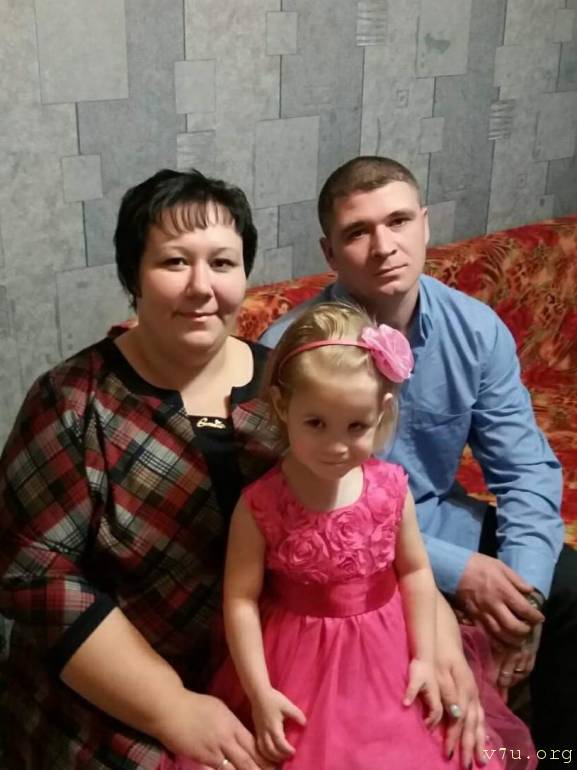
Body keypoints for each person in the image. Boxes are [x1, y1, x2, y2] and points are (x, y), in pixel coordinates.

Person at [259, 156, 576, 762]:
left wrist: (525, 597)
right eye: (358, 232)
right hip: (342, 550)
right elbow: (299, 508)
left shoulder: (475, 329)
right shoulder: (289, 350)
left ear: (425, 224)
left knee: (569, 589)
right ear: (330, 252)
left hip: (440, 518)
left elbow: (526, 470)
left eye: (399, 221)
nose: (385, 247)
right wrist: (460, 572)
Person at [173, 302, 536, 770]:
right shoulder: (259, 504)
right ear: (283, 406)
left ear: (381, 413)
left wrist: (425, 657)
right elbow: (240, 599)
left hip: (389, 655)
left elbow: (415, 571)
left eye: (356, 426)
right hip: (294, 665)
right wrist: (259, 692)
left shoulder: (391, 490)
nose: (336, 445)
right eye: (316, 423)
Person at [0, 169, 280, 770]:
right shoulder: (71, 400)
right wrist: (171, 709)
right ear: (133, 276)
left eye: (222, 263)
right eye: (175, 262)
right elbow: (36, 578)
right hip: (109, 695)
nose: (201, 287)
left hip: (269, 671)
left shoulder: (289, 388)